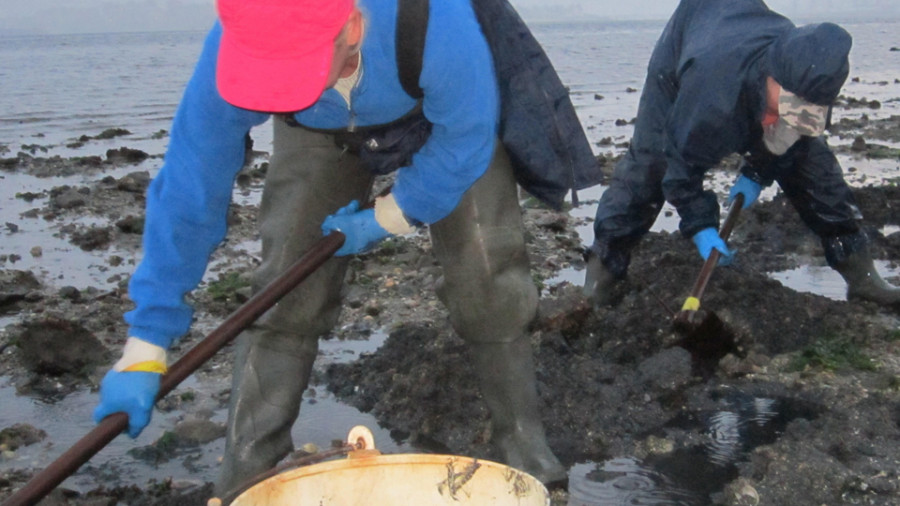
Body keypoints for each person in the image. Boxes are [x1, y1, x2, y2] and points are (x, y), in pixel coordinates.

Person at [91, 0, 579, 496]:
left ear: (350, 26)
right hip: (319, 129)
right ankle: (247, 464)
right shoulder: (239, 41)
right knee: (288, 285)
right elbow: (190, 184)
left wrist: (390, 216)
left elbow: (467, 136)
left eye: (290, 69)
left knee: (487, 276)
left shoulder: (435, 20)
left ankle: (521, 436)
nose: (274, 83)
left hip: (436, 113)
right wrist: (146, 342)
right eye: (266, 74)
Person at [583, 0, 900, 310]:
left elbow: (795, 141)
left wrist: (758, 171)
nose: (795, 115)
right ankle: (601, 273)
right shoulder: (712, 96)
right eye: (788, 105)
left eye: (807, 109)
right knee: (651, 164)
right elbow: (680, 166)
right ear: (773, 78)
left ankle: (862, 276)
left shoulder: (812, 76)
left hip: (737, 37)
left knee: (814, 166)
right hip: (688, 46)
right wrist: (701, 225)